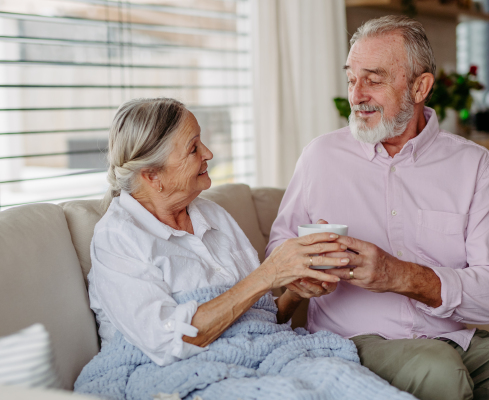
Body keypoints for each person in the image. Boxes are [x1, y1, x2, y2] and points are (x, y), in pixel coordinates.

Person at [267, 15, 489, 400]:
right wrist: (303, 270)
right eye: (352, 78)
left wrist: (401, 275)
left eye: (374, 78)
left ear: (420, 86)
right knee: (439, 372)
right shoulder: (320, 157)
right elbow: (278, 256)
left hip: (456, 340)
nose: (357, 95)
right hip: (357, 342)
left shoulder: (473, 165)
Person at [76, 97, 414, 400]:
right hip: (175, 370)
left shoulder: (213, 216)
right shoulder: (118, 238)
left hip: (263, 351)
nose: (208, 153)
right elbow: (170, 342)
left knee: (355, 383)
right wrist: (269, 273)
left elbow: (260, 319)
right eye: (193, 148)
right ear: (153, 176)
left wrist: (296, 292)